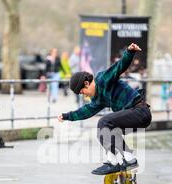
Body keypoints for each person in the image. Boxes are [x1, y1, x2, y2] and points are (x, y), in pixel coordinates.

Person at [58, 43, 152, 176]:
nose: (85, 95)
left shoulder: (103, 79)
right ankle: (121, 160)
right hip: (134, 115)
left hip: (140, 111)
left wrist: (129, 53)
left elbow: (118, 68)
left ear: (86, 83)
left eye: (83, 91)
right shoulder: (97, 99)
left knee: (104, 122)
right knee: (105, 131)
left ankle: (120, 161)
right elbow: (86, 111)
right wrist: (67, 116)